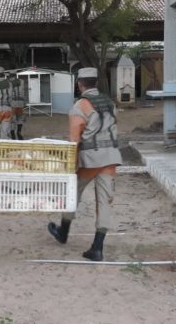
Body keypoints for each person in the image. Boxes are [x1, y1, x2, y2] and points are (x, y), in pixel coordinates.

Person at [47, 67, 122, 261]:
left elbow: (74, 140)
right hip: (111, 157)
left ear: (79, 84)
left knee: (72, 193)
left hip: (90, 159)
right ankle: (97, 248)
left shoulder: (80, 106)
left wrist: (71, 167)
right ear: (95, 82)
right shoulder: (110, 103)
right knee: (104, 201)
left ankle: (63, 233)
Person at [7, 72, 27, 140]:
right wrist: (24, 103)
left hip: (12, 103)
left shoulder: (8, 82)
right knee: (20, 118)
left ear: (10, 76)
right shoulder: (22, 81)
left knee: (12, 119)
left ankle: (12, 134)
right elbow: (23, 92)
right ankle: (19, 131)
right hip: (21, 102)